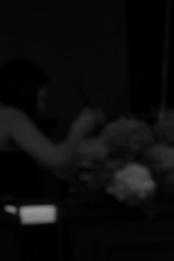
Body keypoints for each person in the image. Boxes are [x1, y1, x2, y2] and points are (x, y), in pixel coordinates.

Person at [0, 59, 100, 198]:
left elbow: (43, 158)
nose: (42, 108)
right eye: (40, 98)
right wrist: (79, 128)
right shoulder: (12, 117)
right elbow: (58, 160)